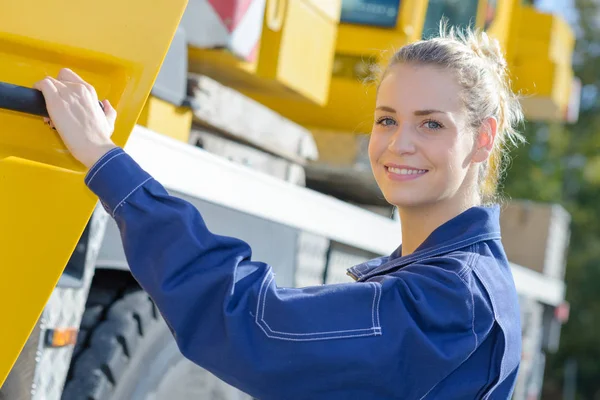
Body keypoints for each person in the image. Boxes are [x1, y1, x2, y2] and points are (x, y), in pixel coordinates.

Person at [35, 24, 524, 400]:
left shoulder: (451, 299)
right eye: (387, 120)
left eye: (431, 124)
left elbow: (256, 325)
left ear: (482, 138)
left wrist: (106, 161)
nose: (400, 144)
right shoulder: (455, 279)